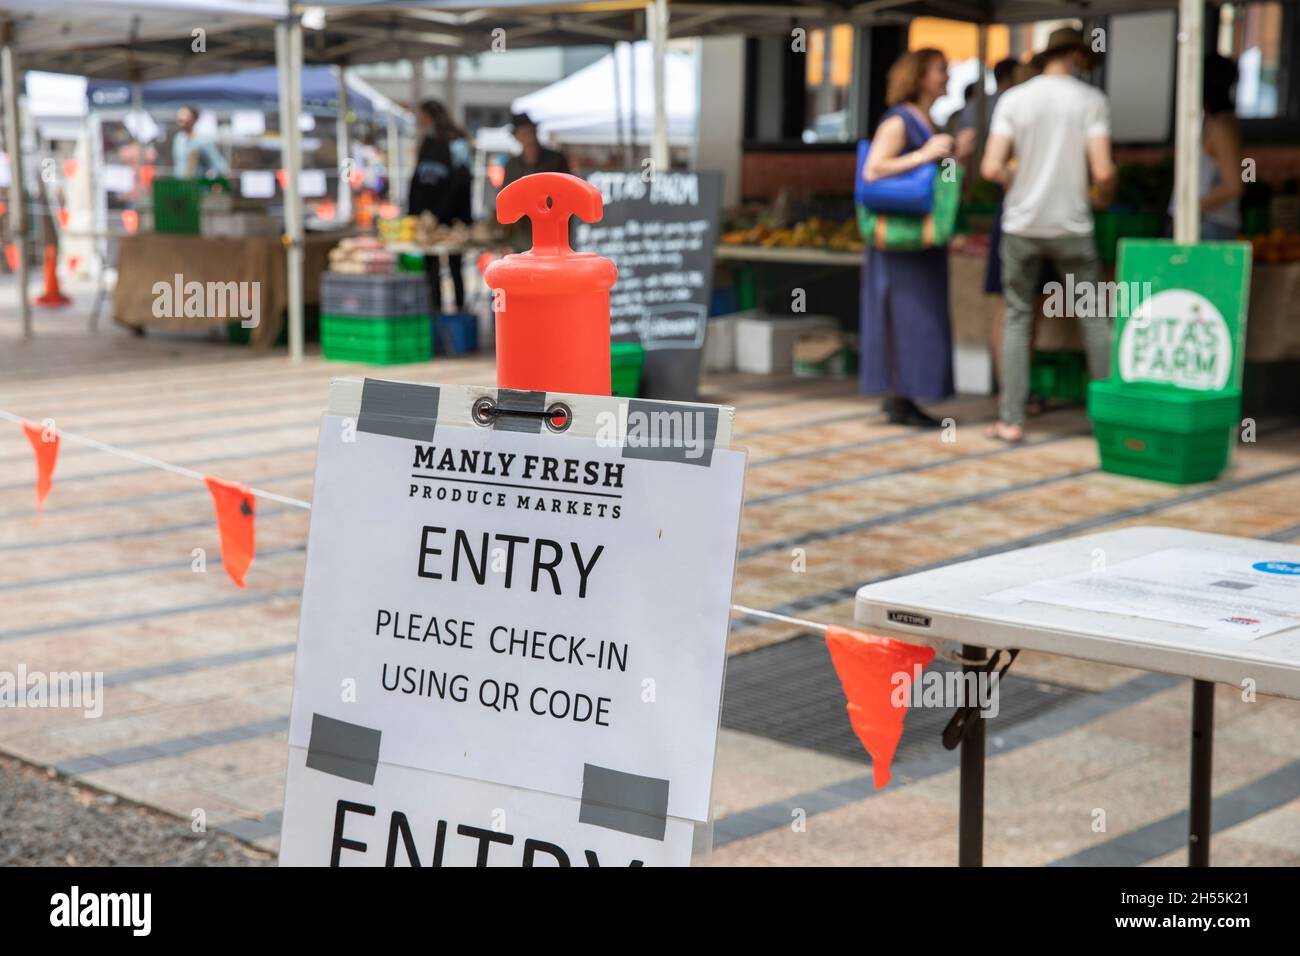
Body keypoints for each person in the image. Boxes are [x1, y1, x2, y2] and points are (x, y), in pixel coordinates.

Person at [981, 27, 1116, 442]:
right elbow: (1104, 172)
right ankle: (1108, 418)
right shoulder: (1091, 101)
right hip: (1072, 224)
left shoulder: (1014, 99)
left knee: (1018, 317)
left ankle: (1011, 419)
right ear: (1077, 55)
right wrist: (1102, 196)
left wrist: (1017, 180)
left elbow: (989, 168)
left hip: (1021, 223)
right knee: (1094, 317)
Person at [860, 48, 972, 427]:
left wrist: (956, 161)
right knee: (903, 315)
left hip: (920, 239)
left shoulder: (929, 121)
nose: (947, 77)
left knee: (920, 317)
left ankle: (905, 394)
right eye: (941, 70)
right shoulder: (899, 121)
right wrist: (924, 154)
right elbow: (874, 170)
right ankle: (900, 397)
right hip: (899, 240)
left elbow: (944, 183)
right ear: (920, 76)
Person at [1168, 54, 1242, 240]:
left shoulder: (1221, 127)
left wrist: (1190, 209)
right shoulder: (1208, 123)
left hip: (1209, 225)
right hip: (1203, 223)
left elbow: (1234, 186)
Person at [409, 99, 473, 313]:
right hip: (428, 219)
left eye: (424, 117)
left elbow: (463, 183)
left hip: (452, 218)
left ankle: (460, 311)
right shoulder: (426, 142)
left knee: (455, 265)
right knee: (431, 268)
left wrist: (448, 213)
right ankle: (435, 312)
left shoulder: (456, 142)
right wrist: (416, 214)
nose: (422, 121)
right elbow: (417, 181)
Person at [501, 113, 570, 251]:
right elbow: (506, 197)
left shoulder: (556, 159)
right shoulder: (512, 165)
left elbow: (567, 191)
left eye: (529, 131)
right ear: (516, 137)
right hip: (521, 231)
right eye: (523, 132)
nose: (527, 136)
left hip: (553, 227)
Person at [172, 105, 227, 179]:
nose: (180, 118)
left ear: (195, 119)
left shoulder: (203, 141)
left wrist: (208, 177)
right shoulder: (179, 139)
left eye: (185, 115)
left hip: (196, 187)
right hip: (180, 187)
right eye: (179, 115)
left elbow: (221, 167)